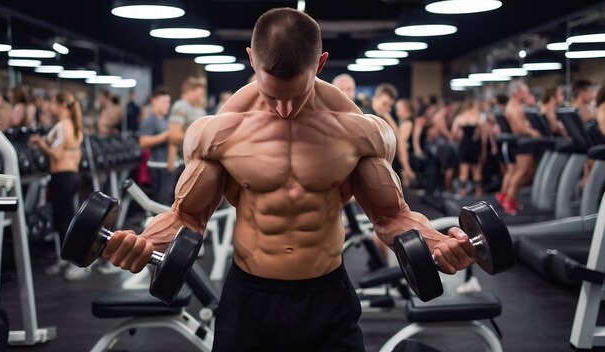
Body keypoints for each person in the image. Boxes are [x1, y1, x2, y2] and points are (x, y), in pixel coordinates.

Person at [101, 8, 476, 352]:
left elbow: (392, 216)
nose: (284, 110)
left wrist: (438, 243)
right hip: (250, 299)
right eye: (272, 95)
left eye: (296, 96)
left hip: (327, 298)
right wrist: (140, 242)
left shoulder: (357, 133)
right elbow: (187, 218)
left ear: (321, 63)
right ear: (251, 59)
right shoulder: (219, 133)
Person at [28, 91, 85, 280]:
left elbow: (57, 155)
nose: (49, 106)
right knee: (62, 219)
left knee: (66, 221)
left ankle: (77, 264)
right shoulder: (73, 125)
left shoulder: (63, 126)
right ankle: (65, 258)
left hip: (63, 176)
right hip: (69, 176)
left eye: (52, 102)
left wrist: (40, 143)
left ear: (62, 105)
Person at [497, 81, 540, 215]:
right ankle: (509, 200)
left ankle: (509, 198)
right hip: (521, 142)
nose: (527, 94)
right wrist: (533, 132)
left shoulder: (515, 105)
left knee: (520, 171)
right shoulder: (514, 107)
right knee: (521, 172)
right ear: (517, 93)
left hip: (520, 142)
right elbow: (518, 128)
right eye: (525, 91)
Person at [139, 87, 173, 205]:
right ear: (154, 102)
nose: (167, 105)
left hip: (168, 164)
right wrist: (166, 135)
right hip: (158, 166)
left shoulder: (164, 120)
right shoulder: (150, 120)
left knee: (167, 200)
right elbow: (143, 142)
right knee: (162, 201)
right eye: (163, 102)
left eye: (168, 102)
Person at [167, 76, 207, 174]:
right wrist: (171, 160)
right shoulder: (180, 106)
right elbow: (174, 136)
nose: (200, 97)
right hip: (184, 160)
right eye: (198, 94)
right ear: (189, 91)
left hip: (198, 159)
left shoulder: (199, 109)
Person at [451, 99, 486, 197]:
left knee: (463, 172)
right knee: (477, 172)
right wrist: (483, 150)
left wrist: (459, 139)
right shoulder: (478, 117)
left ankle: (463, 194)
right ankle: (478, 194)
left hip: (464, 145)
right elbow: (482, 136)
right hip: (475, 146)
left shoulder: (459, 118)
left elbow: (453, 134)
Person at [395, 98, 417, 187]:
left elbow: (402, 145)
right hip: (406, 157)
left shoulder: (407, 123)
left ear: (405, 109)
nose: (396, 112)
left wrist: (406, 167)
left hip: (407, 158)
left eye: (398, 109)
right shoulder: (407, 122)